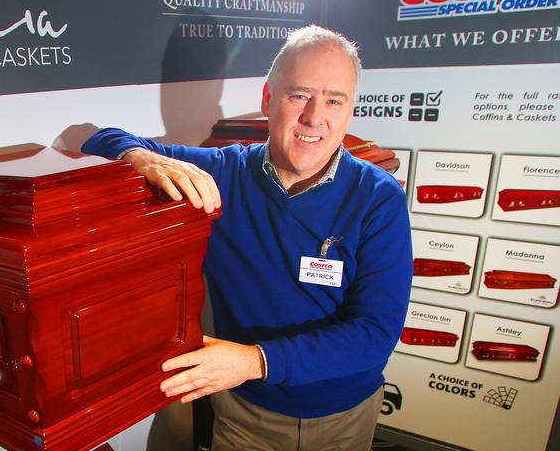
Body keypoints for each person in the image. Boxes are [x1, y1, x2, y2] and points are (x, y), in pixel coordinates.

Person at [81, 25, 412, 450]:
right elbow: (99, 139)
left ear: (350, 111)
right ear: (268, 99)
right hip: (245, 415)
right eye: (299, 95)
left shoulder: (378, 197)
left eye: (334, 100)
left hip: (342, 414)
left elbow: (375, 334)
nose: (314, 116)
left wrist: (256, 361)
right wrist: (141, 157)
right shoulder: (225, 171)